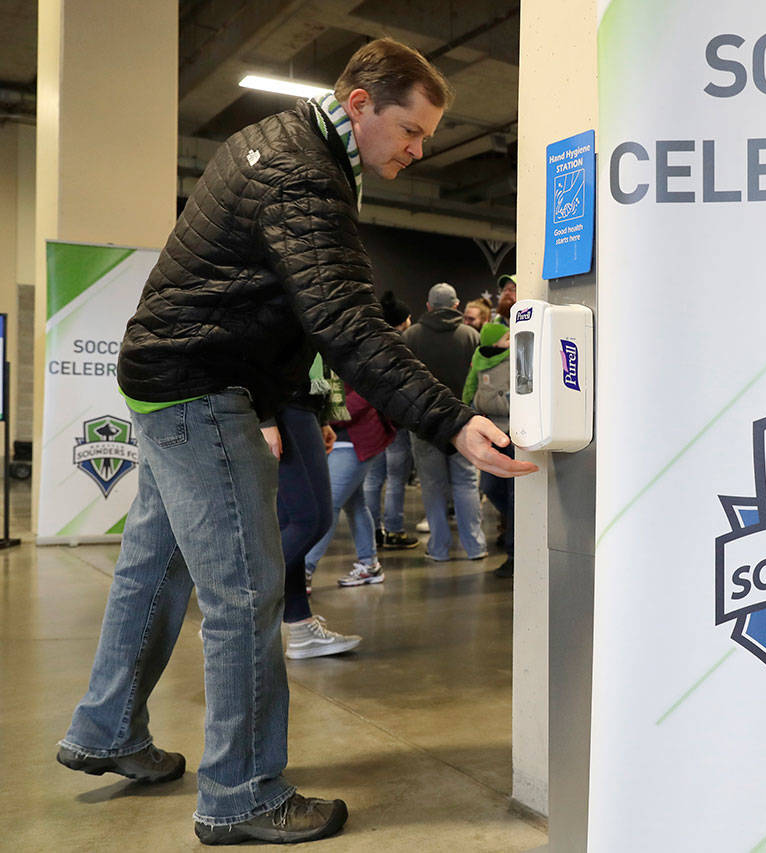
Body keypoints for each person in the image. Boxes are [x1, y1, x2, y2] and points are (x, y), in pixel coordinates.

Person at [56, 38, 535, 846]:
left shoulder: (281, 146)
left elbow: (268, 301)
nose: (419, 150)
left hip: (167, 375)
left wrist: (279, 404)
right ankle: (240, 792)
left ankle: (106, 730)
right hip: (199, 386)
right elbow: (346, 323)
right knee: (246, 592)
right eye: (412, 130)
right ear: (359, 105)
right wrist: (449, 419)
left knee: (155, 566)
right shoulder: (304, 173)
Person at [276, 357, 362, 658]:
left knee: (291, 523)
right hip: (286, 404)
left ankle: (300, 625)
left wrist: (323, 418)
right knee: (310, 520)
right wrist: (264, 419)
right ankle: (234, 607)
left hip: (301, 404)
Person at [404, 283, 487, 561]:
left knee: (431, 484)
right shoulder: (471, 336)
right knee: (466, 483)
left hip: (424, 422)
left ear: (428, 306)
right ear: (456, 306)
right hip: (463, 420)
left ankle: (438, 549)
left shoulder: (411, 336)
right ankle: (475, 547)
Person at [307, 383, 396, 587]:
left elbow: (368, 392)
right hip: (339, 438)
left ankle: (304, 569)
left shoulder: (359, 357)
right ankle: (370, 564)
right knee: (354, 504)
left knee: (328, 503)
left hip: (355, 438)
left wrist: (323, 417)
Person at [363, 291, 419, 551]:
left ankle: (372, 531)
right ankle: (394, 530)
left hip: (372, 422)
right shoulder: (402, 347)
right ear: (402, 320)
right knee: (396, 479)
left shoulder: (368, 344)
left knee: (372, 480)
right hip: (397, 423)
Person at [463, 323, 515, 577]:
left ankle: (515, 552)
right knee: (490, 487)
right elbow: (471, 386)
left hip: (513, 434)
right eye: (506, 336)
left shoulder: (516, 357)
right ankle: (514, 524)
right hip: (490, 432)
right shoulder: (479, 360)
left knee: (516, 495)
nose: (510, 339)